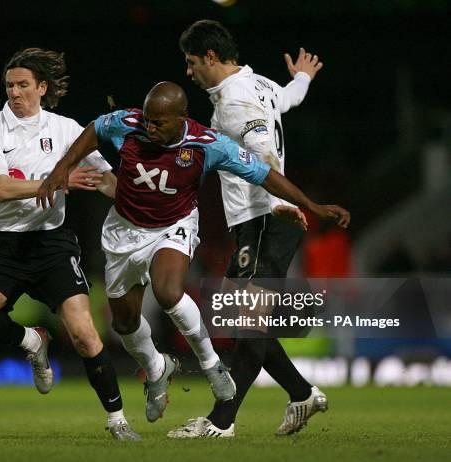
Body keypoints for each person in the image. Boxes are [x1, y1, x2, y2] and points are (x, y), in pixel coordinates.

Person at [36, 81, 350, 425]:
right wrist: (61, 168)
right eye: (148, 119)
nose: (150, 127)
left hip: (174, 225)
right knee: (125, 322)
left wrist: (309, 205)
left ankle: (212, 365)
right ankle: (157, 369)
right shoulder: (127, 123)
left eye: (159, 122)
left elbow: (264, 175)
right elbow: (95, 129)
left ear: (181, 117)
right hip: (124, 230)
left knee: (168, 291)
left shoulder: (208, 145)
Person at [0, 47, 140, 441]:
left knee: (83, 332)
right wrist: (57, 181)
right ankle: (32, 339)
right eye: (10, 86)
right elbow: (2, 189)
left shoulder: (65, 130)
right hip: (3, 245)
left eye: (23, 85)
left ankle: (118, 421)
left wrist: (146, 200)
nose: (15, 93)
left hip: (52, 244)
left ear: (42, 88)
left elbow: (106, 181)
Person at [167, 19, 332, 438]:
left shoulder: (234, 101)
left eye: (191, 62)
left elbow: (261, 155)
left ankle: (221, 422)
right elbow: (287, 99)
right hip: (258, 222)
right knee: (239, 317)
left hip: (266, 220)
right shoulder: (255, 83)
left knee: (245, 319)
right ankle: (302, 394)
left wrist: (280, 204)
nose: (189, 72)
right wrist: (301, 77)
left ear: (210, 56)